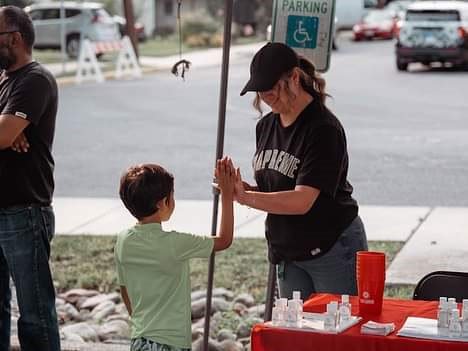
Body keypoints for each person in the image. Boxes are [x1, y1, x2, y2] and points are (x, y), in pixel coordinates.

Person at [234, 42, 368, 300]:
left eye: (271, 88)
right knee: (297, 336)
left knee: (338, 333)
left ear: (294, 78)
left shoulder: (323, 129)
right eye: (259, 90)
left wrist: (246, 197)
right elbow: (277, 188)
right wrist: (243, 189)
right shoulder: (266, 126)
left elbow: (302, 200)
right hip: (287, 250)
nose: (265, 96)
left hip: (332, 246)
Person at [115, 159, 235, 351]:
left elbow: (125, 290)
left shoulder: (123, 240)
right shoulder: (174, 244)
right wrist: (227, 195)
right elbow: (224, 239)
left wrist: (141, 323)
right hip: (171, 343)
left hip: (139, 339)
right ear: (163, 203)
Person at [0, 6, 60, 351]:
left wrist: (8, 130)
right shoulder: (4, 79)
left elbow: (6, 136)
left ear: (14, 39)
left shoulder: (35, 79)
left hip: (24, 211)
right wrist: (6, 128)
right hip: (3, 209)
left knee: (35, 314)